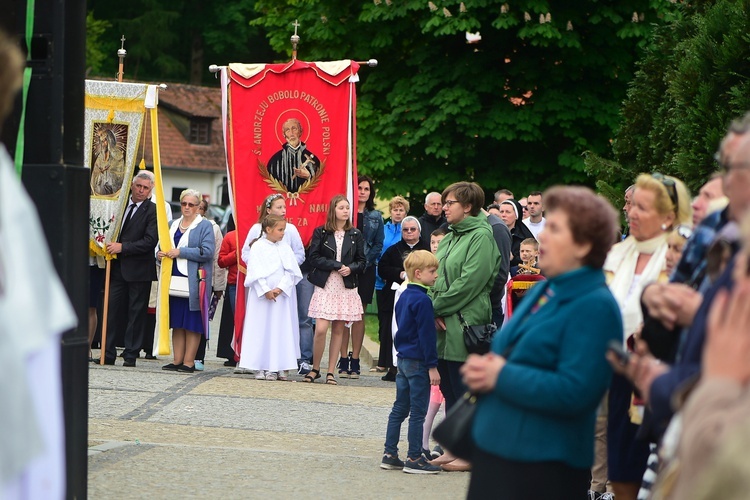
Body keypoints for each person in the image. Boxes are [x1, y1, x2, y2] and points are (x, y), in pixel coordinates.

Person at [462, 185, 623, 499]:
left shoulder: (595, 304)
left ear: (584, 244)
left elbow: (578, 390)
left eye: (555, 229)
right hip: (501, 449)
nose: (542, 238)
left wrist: (501, 375)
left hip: (544, 462)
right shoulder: (545, 290)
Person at [603, 173, 691, 500]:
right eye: (631, 206)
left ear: (669, 215)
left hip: (660, 371)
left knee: (651, 467)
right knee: (620, 462)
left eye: (643, 207)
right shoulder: (619, 253)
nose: (632, 213)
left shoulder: (682, 252)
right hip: (617, 370)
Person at [429, 181, 500, 472]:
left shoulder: (482, 237)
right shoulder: (449, 237)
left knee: (464, 389)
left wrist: (435, 307)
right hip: (444, 322)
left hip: (466, 322)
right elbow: (434, 275)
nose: (444, 207)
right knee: (447, 386)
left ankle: (471, 453)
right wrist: (432, 307)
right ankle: (452, 447)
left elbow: (470, 283)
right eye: (444, 203)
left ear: (468, 206)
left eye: (450, 203)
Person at [380, 250, 442, 474]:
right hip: (418, 361)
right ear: (418, 273)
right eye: (432, 271)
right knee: (418, 411)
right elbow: (427, 337)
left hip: (403, 358)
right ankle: (415, 457)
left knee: (399, 408)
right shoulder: (423, 300)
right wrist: (432, 366)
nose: (436, 275)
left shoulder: (404, 295)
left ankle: (390, 453)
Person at [97, 171, 159, 366]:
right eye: (138, 186)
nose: (141, 190)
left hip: (139, 269)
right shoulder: (119, 204)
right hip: (115, 267)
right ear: (132, 185)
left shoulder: (153, 211)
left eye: (145, 188)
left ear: (150, 191)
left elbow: (150, 241)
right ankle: (107, 352)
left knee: (136, 313)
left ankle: (131, 354)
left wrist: (123, 247)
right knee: (111, 310)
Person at [305, 195, 366, 385]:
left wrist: (351, 268)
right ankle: (315, 368)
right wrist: (336, 264)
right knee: (321, 329)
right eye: (341, 208)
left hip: (345, 286)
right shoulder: (321, 232)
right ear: (333, 210)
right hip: (327, 283)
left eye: (347, 208)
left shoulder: (355, 234)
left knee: (339, 328)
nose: (346, 211)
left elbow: (362, 261)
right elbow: (313, 257)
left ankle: (331, 371)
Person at [237, 215, 302, 381]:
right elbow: (254, 272)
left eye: (283, 230)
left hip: (281, 296)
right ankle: (260, 365)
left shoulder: (285, 247)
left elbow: (292, 271)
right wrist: (265, 289)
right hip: (262, 297)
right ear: (268, 229)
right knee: (261, 329)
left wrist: (280, 288)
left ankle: (279, 366)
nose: (282, 233)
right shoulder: (258, 247)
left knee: (280, 329)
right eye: (280, 230)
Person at [158, 189, 215, 373]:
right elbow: (160, 245)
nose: (187, 207)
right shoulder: (172, 224)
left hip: (194, 280)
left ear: (199, 207)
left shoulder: (204, 226)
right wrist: (158, 254)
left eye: (191, 204)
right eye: (184, 204)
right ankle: (177, 360)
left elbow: (207, 251)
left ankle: (189, 361)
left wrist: (181, 252)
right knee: (177, 322)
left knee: (192, 322)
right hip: (173, 277)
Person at [377, 216, 430, 381]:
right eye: (405, 230)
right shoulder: (393, 249)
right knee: (391, 329)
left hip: (420, 295)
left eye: (412, 229)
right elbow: (382, 268)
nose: (409, 233)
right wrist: (399, 274)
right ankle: (392, 367)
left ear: (419, 231)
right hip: (395, 295)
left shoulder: (427, 249)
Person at [342, 176, 384, 378]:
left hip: (365, 270)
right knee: (342, 316)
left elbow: (378, 244)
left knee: (359, 315)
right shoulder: (344, 213)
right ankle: (342, 358)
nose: (362, 191)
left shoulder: (376, 216)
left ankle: (355, 359)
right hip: (343, 270)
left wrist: (362, 264)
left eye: (367, 188)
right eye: (359, 187)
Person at [371, 195, 410, 379]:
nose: (397, 212)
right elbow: (378, 249)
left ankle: (394, 361)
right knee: (384, 321)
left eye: (401, 210)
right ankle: (383, 360)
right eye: (395, 209)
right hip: (382, 281)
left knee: (398, 321)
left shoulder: (408, 230)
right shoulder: (384, 228)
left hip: (402, 283)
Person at [193, 199, 227, 371]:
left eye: (199, 208)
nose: (195, 210)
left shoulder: (213, 228)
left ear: (204, 211)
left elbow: (217, 258)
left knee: (202, 320)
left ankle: (199, 356)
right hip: (187, 280)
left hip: (206, 281)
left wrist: (219, 286)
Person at [266, 118, 320, 193]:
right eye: (287, 130)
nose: (291, 133)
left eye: (294, 129)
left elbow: (320, 184)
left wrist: (309, 176)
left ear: (300, 132)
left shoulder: (313, 159)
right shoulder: (275, 161)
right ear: (284, 135)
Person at [217, 217, 239, 366]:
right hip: (234, 281)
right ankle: (232, 353)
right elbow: (221, 261)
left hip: (252, 283)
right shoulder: (230, 236)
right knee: (233, 318)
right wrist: (235, 255)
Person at [499, 198, 536, 267]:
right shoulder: (493, 232)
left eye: (507, 212)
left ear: (516, 215)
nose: (503, 215)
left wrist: (513, 258)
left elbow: (533, 258)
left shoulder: (524, 236)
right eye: (501, 212)